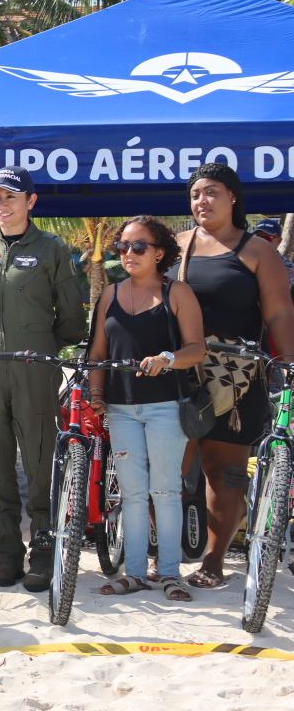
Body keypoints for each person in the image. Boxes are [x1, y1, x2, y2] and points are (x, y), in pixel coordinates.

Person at [0, 166, 87, 591]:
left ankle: (45, 550)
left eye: (10, 197)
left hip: (35, 362)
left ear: (31, 202)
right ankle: (9, 552)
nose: (2, 206)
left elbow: (71, 314)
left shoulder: (51, 248)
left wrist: (47, 343)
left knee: (38, 455)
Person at [171, 163, 294, 589]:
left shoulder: (258, 251)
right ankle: (163, 557)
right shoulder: (172, 246)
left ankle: (213, 560)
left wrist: (289, 362)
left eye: (211, 193)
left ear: (233, 198)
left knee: (223, 471)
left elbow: (278, 310)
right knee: (166, 468)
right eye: (195, 194)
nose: (201, 201)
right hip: (176, 373)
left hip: (237, 376)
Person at [88, 215, 203, 602]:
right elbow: (97, 354)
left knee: (166, 491)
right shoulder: (110, 294)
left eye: (139, 246)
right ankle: (134, 574)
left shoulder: (178, 293)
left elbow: (197, 350)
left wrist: (168, 358)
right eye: (123, 246)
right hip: (121, 409)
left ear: (159, 252)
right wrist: (97, 396)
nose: (128, 253)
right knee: (133, 494)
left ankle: (170, 574)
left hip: (165, 407)